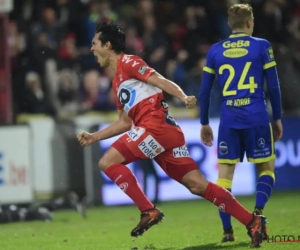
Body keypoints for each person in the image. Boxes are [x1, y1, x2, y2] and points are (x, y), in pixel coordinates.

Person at [77, 22, 267, 248]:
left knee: (107, 161)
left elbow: (160, 80)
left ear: (107, 45)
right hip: (161, 132)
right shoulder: (117, 81)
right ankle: (252, 221)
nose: (91, 49)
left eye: (94, 44)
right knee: (197, 185)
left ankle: (148, 210)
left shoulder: (129, 62)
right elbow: (125, 122)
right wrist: (95, 136)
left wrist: (183, 97)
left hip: (155, 127)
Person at [199, 3, 283, 243]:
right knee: (266, 169)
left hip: (229, 121)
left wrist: (204, 121)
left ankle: (227, 232)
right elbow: (274, 87)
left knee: (224, 178)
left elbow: (205, 92)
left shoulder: (215, 50)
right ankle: (258, 213)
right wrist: (277, 117)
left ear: (229, 24)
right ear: (249, 23)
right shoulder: (261, 45)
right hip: (257, 118)